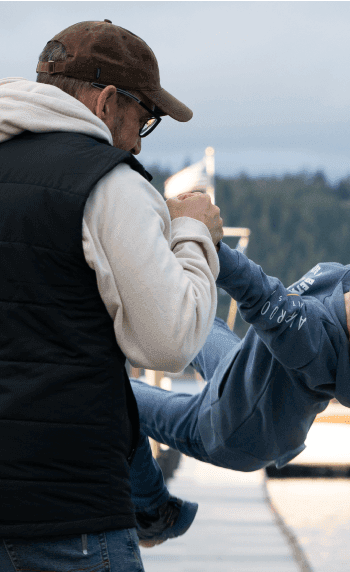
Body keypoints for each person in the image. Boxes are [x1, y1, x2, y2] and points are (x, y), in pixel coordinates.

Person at [129, 113, 350, 543]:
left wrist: (200, 237)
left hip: (231, 429)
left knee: (114, 395)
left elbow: (259, 294)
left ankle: (154, 510)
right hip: (244, 371)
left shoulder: (314, 344)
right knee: (188, 313)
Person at [0, 20, 222, 570]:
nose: (138, 141)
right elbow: (169, 342)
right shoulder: (110, 185)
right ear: (104, 103)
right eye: (143, 118)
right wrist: (191, 233)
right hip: (69, 515)